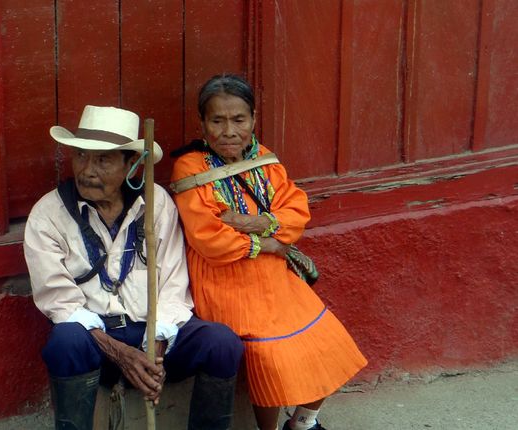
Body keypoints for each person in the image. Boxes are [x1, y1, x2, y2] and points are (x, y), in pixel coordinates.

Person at [24, 105, 244, 430]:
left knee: (222, 343)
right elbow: (61, 304)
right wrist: (123, 355)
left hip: (153, 333)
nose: (87, 170)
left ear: (132, 165)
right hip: (95, 340)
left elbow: (173, 285)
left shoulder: (155, 203)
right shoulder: (48, 214)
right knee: (64, 342)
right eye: (81, 156)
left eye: (103, 160)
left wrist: (154, 348)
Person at [170, 75, 367, 430]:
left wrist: (244, 221)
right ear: (202, 124)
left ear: (254, 120)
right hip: (225, 278)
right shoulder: (190, 167)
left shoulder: (264, 160)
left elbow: (297, 215)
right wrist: (269, 238)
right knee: (269, 353)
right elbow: (209, 239)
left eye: (239, 120)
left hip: (274, 272)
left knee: (328, 341)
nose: (229, 130)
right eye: (217, 121)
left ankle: (303, 423)